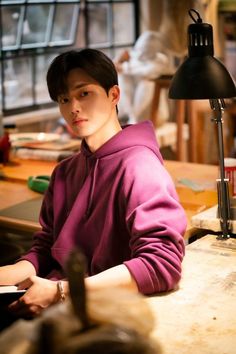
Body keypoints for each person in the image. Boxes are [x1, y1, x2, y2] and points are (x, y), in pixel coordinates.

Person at [0, 49, 187, 325]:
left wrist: (62, 291)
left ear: (114, 95)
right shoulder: (64, 171)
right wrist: (12, 273)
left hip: (108, 316)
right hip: (57, 303)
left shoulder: (139, 167)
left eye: (83, 93)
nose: (73, 107)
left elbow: (162, 265)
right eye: (64, 99)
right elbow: (45, 248)